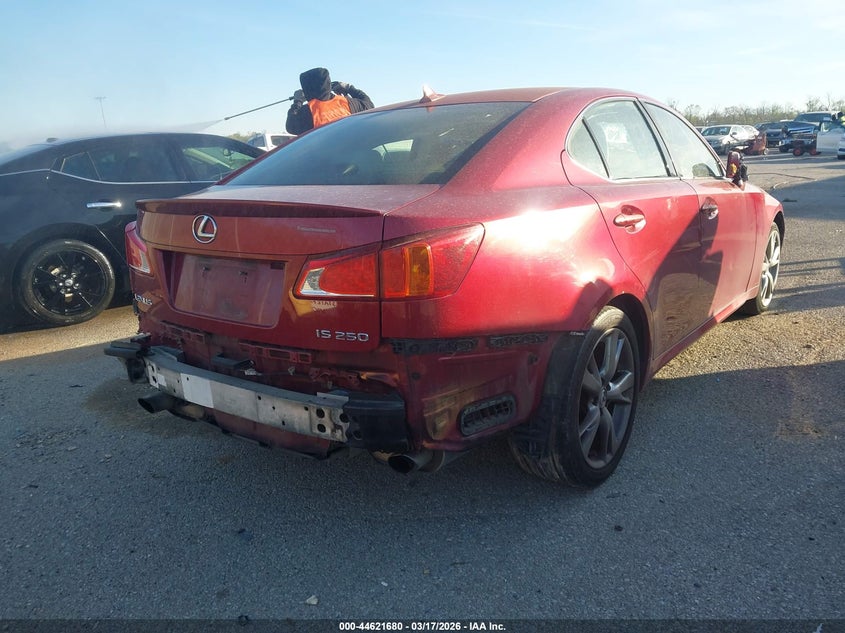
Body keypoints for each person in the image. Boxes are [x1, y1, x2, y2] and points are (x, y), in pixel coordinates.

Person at [285, 67, 374, 135]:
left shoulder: (307, 112)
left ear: (306, 88)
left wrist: (297, 101)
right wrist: (349, 88)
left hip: (327, 157)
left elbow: (291, 127)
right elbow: (369, 104)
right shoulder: (347, 103)